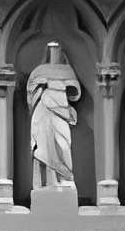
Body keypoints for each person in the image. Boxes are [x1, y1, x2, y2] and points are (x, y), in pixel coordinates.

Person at [27, 41, 83, 190]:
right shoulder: (40, 70)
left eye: (57, 49)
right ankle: (49, 181)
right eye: (52, 49)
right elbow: (31, 90)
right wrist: (41, 83)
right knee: (45, 146)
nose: (54, 52)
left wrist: (63, 84)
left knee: (63, 145)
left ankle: (65, 177)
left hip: (62, 109)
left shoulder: (67, 70)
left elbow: (75, 91)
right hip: (44, 110)